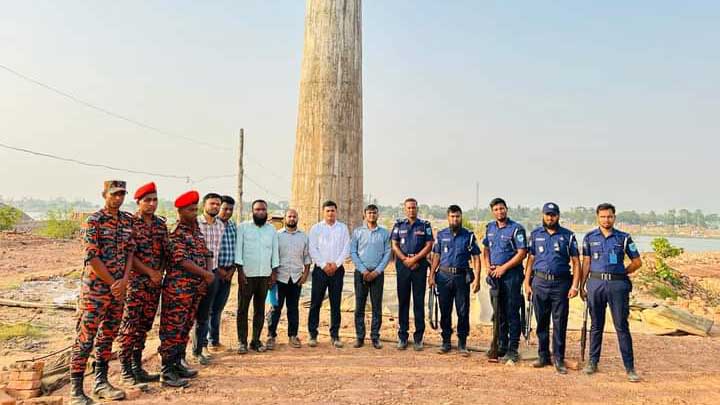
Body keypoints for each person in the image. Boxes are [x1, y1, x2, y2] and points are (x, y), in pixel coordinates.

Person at [70, 180, 134, 405]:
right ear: (104, 194)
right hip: (95, 291)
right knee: (85, 339)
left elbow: (130, 253)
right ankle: (76, 390)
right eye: (114, 194)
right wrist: (113, 283)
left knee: (107, 336)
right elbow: (92, 256)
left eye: (122, 194)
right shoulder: (94, 221)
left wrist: (124, 280)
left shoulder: (127, 221)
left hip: (117, 291)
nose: (118, 198)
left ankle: (101, 382)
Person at [158, 191, 215, 388]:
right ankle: (166, 371)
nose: (194, 213)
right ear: (180, 211)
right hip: (178, 289)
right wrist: (205, 274)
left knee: (184, 327)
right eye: (190, 210)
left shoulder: (196, 229)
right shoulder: (175, 232)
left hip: (196, 288)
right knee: (172, 329)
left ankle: (178, 364)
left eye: (195, 209)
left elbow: (207, 253)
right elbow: (181, 260)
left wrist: (207, 274)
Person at [581, 203, 643, 382]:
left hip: (617, 285)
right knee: (596, 326)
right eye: (603, 217)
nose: (606, 220)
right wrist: (581, 285)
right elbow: (586, 263)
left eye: (609, 216)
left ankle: (629, 368)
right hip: (596, 284)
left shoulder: (624, 238)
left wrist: (623, 272)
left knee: (621, 326)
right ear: (597, 217)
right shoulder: (589, 237)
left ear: (614, 217)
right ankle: (593, 362)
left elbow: (637, 262)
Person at [523, 203, 581, 374]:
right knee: (541, 321)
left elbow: (576, 262)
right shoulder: (535, 235)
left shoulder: (568, 236)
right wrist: (527, 283)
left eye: (553, 215)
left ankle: (559, 358)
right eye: (547, 215)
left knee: (559, 322)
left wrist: (575, 285)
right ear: (543, 215)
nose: (550, 218)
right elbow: (531, 260)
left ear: (558, 216)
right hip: (539, 282)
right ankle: (543, 356)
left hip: (561, 284)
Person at [117, 182, 166, 386]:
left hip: (153, 285)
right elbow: (129, 254)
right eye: (148, 200)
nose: (152, 204)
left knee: (144, 326)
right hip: (135, 283)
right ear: (138, 202)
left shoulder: (160, 224)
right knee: (129, 326)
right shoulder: (129, 223)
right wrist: (150, 272)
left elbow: (165, 251)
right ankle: (125, 370)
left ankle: (137, 367)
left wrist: (159, 272)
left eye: (155, 200)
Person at [428, 205, 481, 356]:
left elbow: (476, 257)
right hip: (443, 277)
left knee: (462, 311)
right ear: (448, 217)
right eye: (452, 216)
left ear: (461, 217)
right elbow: (436, 256)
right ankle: (445, 342)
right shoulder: (441, 235)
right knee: (445, 310)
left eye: (457, 216)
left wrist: (477, 279)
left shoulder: (468, 236)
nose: (455, 219)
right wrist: (431, 275)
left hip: (461, 278)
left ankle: (462, 343)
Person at [482, 197, 527, 363]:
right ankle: (501, 344)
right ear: (492, 212)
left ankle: (513, 348)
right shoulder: (490, 228)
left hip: (511, 276)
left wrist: (504, 268)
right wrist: (488, 266)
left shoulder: (516, 229)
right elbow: (485, 249)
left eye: (502, 209)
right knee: (498, 312)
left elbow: (522, 252)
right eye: (496, 209)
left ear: (506, 209)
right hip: (495, 277)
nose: (499, 212)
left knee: (511, 312)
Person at [235, 199, 280, 354]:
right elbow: (238, 251)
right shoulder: (243, 228)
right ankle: (242, 342)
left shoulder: (272, 230)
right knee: (242, 309)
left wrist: (273, 273)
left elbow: (275, 252)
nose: (260, 212)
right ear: (252, 211)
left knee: (259, 310)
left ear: (266, 212)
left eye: (263, 209)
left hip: (264, 276)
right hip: (247, 275)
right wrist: (240, 272)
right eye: (257, 209)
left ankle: (255, 341)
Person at [390, 198, 434, 351]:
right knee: (403, 302)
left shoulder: (424, 225)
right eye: (408, 208)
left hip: (419, 266)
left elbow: (429, 245)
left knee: (418, 303)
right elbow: (394, 244)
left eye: (413, 208)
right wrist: (404, 259)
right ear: (405, 209)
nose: (411, 210)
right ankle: (402, 336)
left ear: (417, 209)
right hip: (403, 266)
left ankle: (418, 338)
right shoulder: (398, 225)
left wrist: (415, 259)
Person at [308, 200, 350, 348]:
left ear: (336, 212)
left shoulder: (343, 228)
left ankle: (335, 335)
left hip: (337, 271)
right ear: (323, 212)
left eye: (333, 211)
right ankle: (313, 334)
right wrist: (324, 265)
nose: (330, 213)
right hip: (320, 270)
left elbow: (346, 248)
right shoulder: (316, 228)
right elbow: (312, 249)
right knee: (315, 303)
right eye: (328, 211)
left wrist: (336, 264)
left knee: (335, 303)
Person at [267, 208, 311, 349]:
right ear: (285, 218)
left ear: (297, 218)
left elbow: (307, 257)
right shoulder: (277, 236)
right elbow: (272, 256)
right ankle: (271, 336)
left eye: (294, 216)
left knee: (293, 308)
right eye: (289, 216)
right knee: (275, 308)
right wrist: (272, 275)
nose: (292, 218)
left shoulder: (304, 237)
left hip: (296, 278)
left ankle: (293, 336)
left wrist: (305, 274)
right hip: (280, 278)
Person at [350, 204, 391, 349]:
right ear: (364, 215)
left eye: (374, 213)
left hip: (377, 274)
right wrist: (363, 270)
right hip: (361, 273)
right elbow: (353, 252)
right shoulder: (357, 232)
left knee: (376, 306)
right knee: (359, 306)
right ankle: (360, 337)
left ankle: (375, 337)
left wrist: (377, 271)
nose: (372, 215)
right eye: (369, 213)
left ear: (378, 215)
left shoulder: (384, 233)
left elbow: (387, 253)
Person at [191, 193, 225, 364]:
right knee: (191, 314)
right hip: (195, 275)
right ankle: (184, 353)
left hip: (213, 273)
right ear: (204, 205)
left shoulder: (220, 225)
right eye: (212, 203)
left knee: (206, 313)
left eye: (218, 204)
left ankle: (200, 349)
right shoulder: (195, 223)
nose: (215, 207)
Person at [208, 195, 237, 352]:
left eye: (231, 209)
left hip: (228, 272)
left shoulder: (233, 226)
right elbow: (211, 250)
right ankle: (204, 343)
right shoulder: (213, 225)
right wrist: (219, 270)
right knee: (208, 308)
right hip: (215, 271)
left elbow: (235, 248)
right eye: (225, 208)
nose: (227, 212)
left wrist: (232, 270)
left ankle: (214, 340)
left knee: (219, 308)